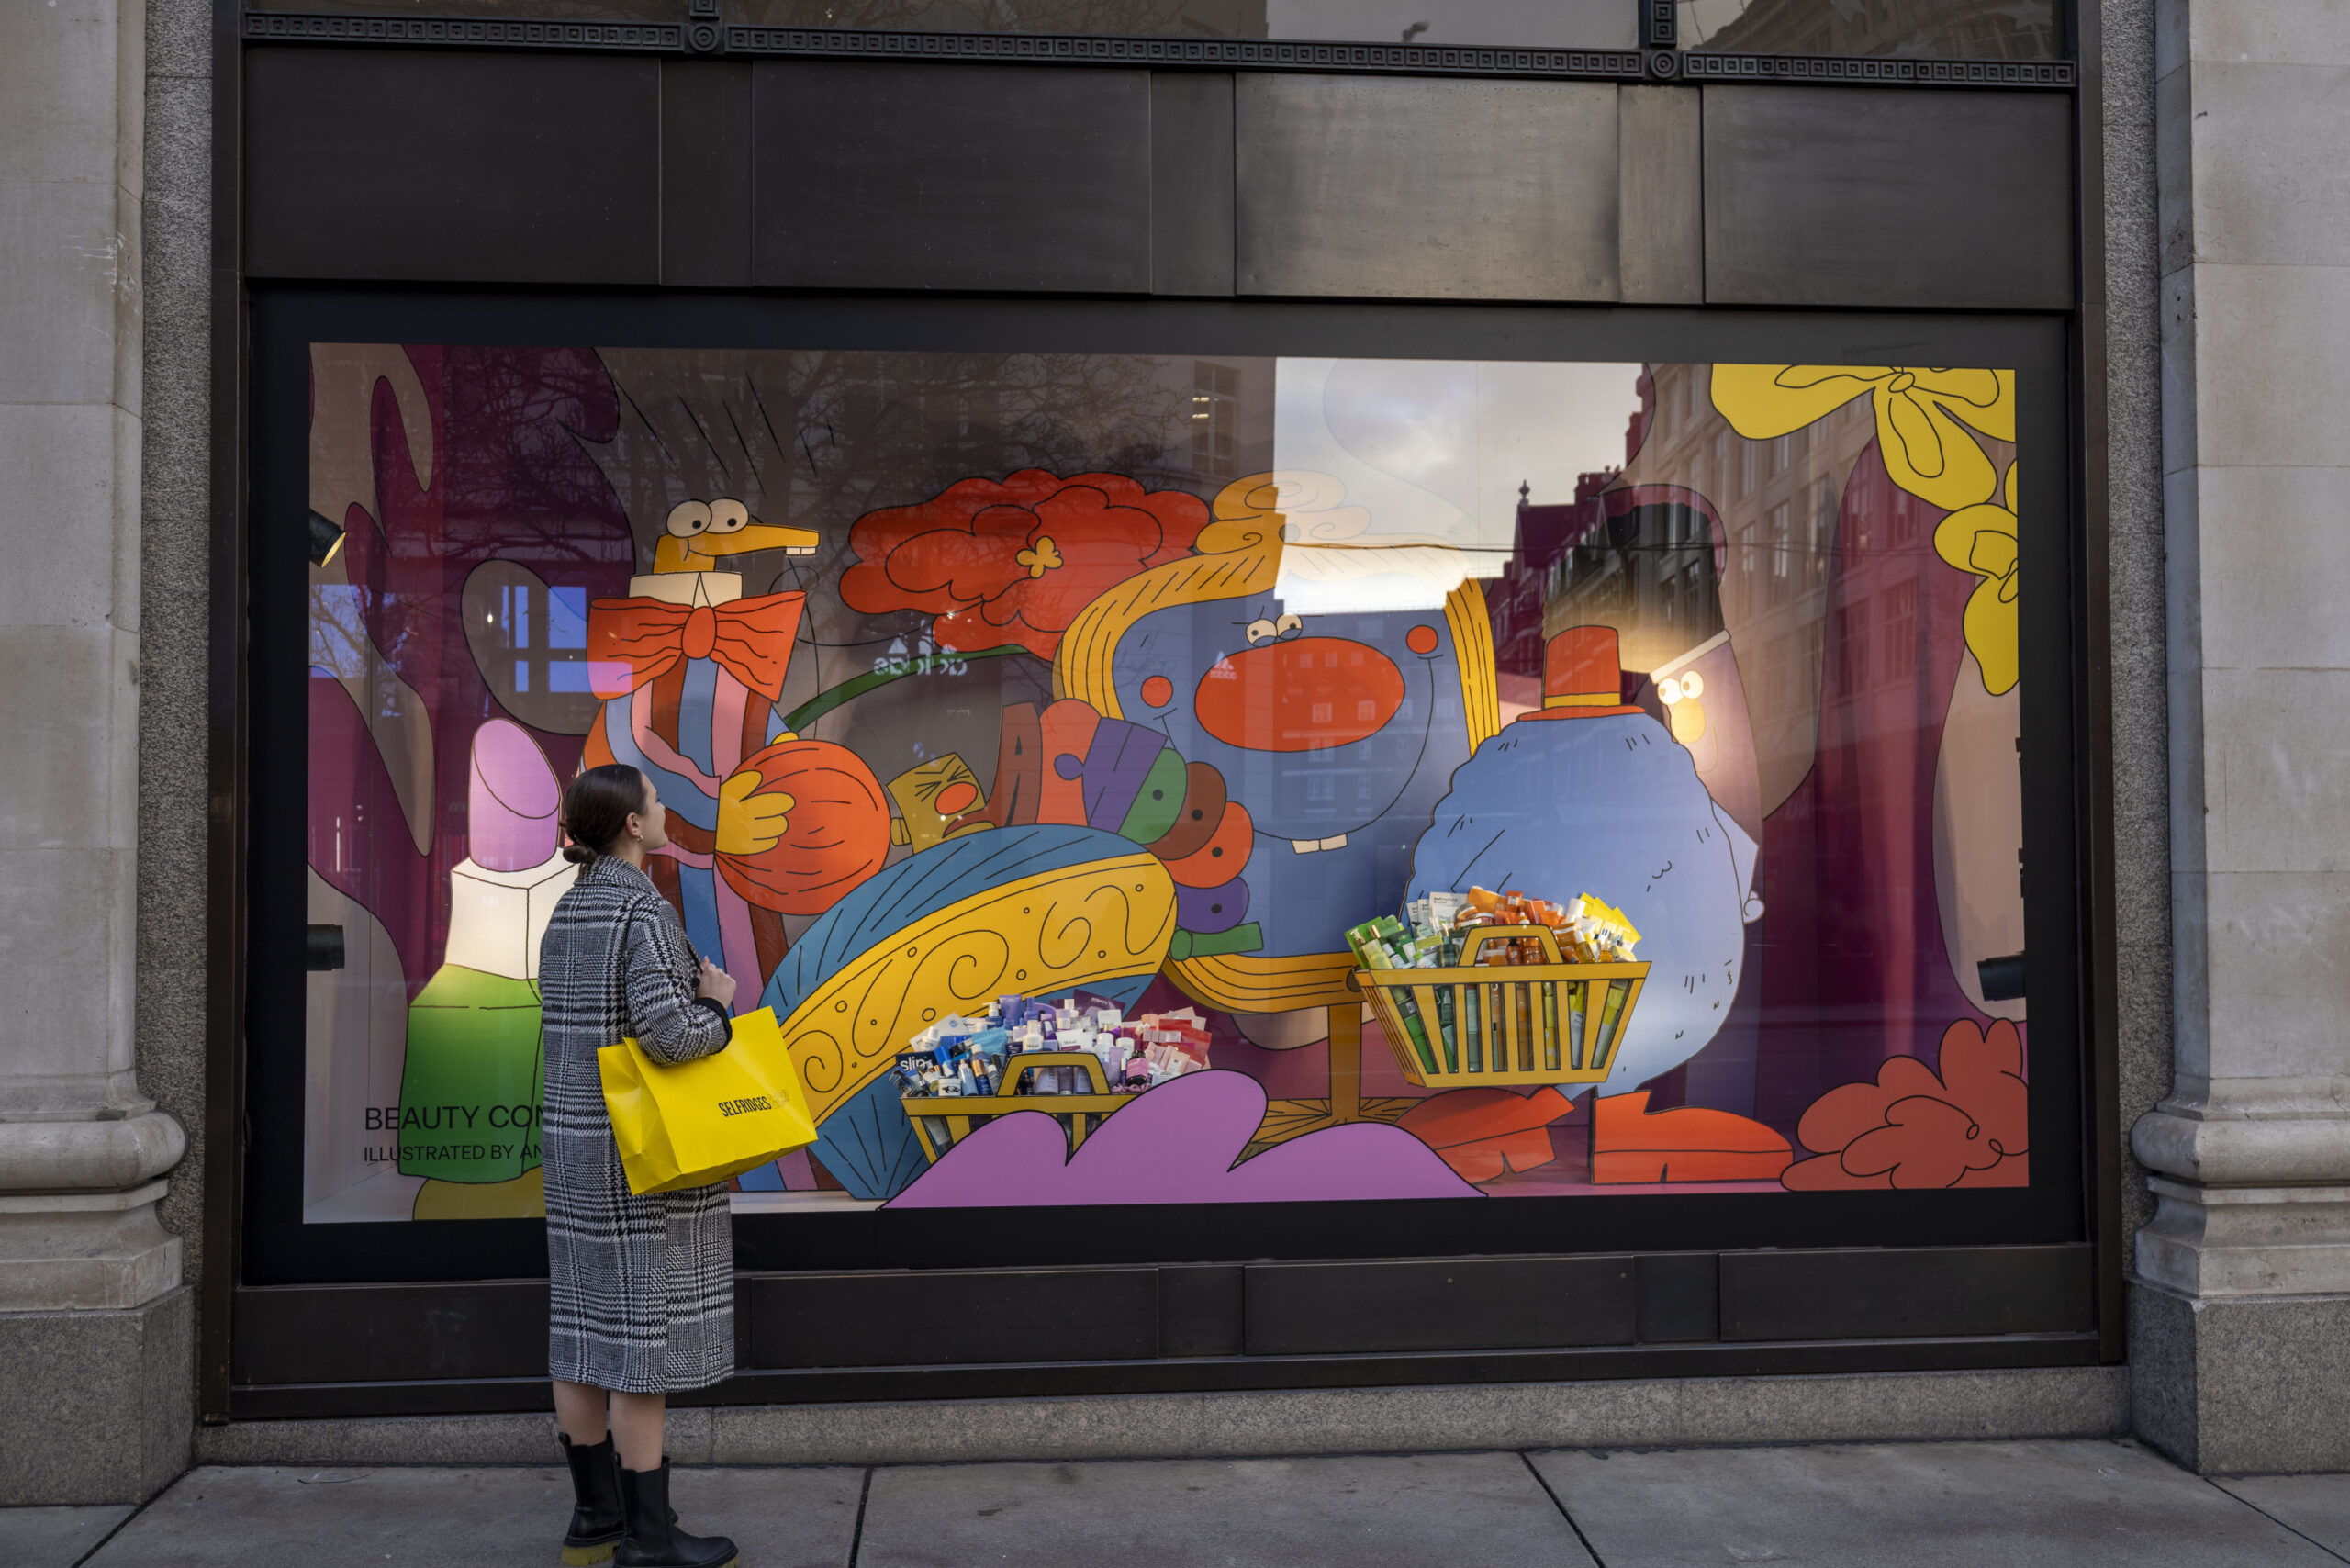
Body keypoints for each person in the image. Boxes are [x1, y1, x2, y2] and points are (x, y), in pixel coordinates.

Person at [539, 763, 741, 1568]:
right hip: (637, 1158)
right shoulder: (643, 910)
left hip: (574, 1146)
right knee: (638, 1346)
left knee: (581, 1335)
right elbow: (670, 1036)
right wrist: (717, 1004)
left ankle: (596, 1521)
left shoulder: (569, 909)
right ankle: (650, 1542)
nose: (661, 810)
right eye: (654, 801)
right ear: (630, 823)